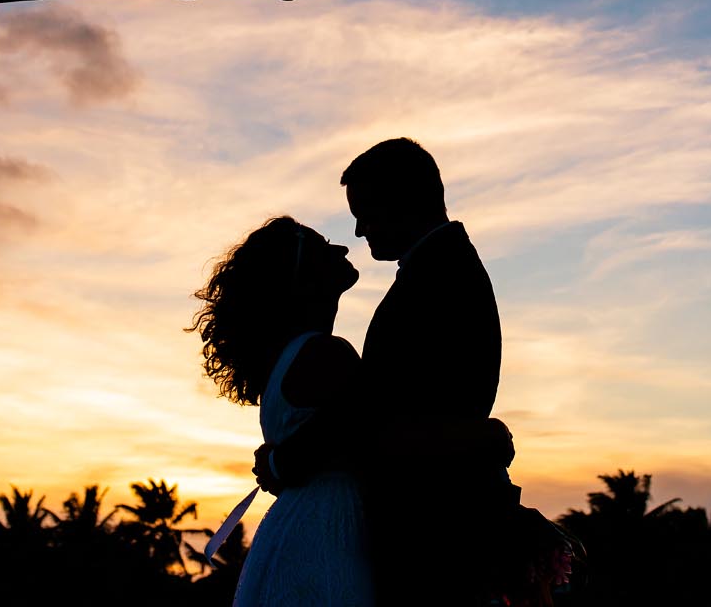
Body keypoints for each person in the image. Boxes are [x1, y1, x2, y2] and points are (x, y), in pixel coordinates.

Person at [254, 138, 519, 605]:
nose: (357, 231)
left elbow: (364, 411)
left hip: (429, 519)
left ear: (404, 200)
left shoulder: (440, 277)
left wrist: (282, 460)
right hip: (419, 515)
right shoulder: (437, 270)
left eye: (365, 212)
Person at [191, 216, 375, 606]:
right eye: (325, 246)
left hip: (299, 523)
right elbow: (372, 433)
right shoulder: (324, 354)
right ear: (302, 277)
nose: (342, 248)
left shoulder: (289, 360)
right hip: (331, 528)